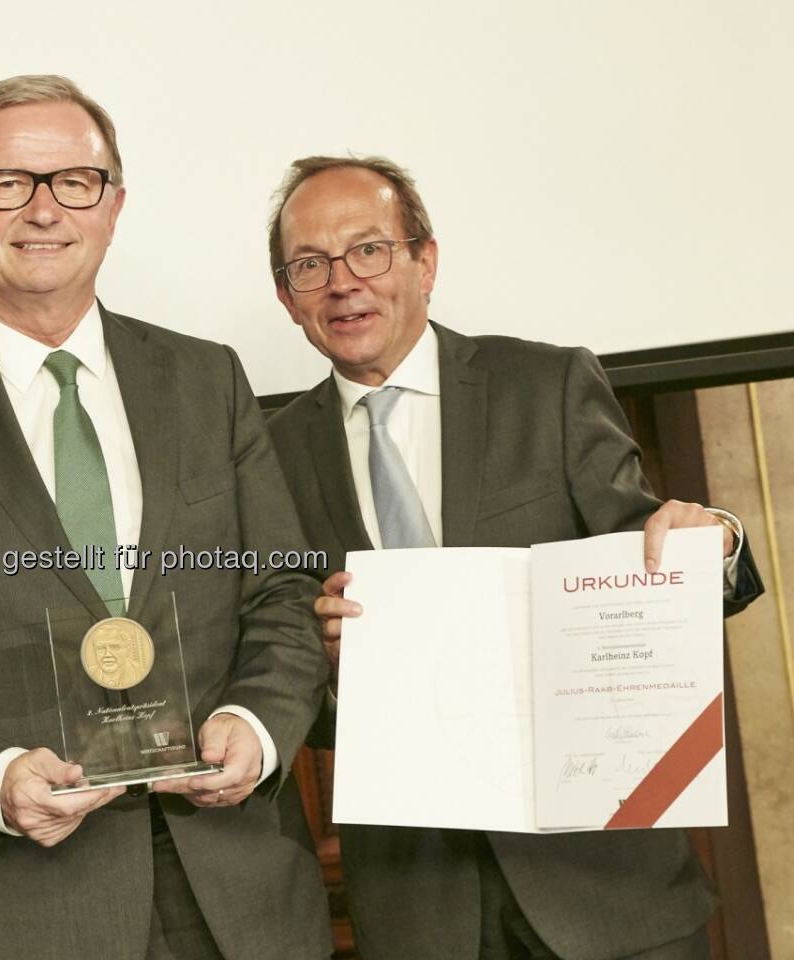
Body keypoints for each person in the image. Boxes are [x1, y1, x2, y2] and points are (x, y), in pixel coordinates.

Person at [0, 75, 331, 960]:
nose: (44, 209)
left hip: (242, 896)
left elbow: (283, 593)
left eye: (75, 182)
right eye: (8, 183)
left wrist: (254, 724)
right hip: (21, 906)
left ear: (114, 207)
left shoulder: (207, 380)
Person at [264, 155, 764, 960]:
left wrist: (718, 542)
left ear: (424, 261)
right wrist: (322, 663)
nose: (342, 283)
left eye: (369, 250)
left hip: (605, 887)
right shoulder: (269, 456)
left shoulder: (546, 384)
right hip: (419, 902)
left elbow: (655, 555)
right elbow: (291, 692)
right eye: (309, 266)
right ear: (287, 299)